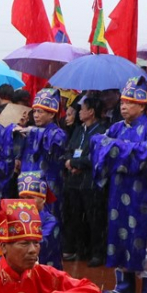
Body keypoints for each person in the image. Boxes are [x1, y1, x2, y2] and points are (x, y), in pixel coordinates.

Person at [92, 77, 147, 293]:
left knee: (146, 236)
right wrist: (117, 148)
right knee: (119, 235)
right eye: (122, 102)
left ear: (142, 105)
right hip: (118, 191)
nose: (123, 106)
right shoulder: (115, 127)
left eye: (129, 102)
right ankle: (123, 286)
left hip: (143, 193)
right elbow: (97, 145)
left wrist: (115, 148)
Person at [62, 96, 108, 267]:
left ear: (91, 112)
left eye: (82, 109)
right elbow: (69, 149)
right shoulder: (79, 130)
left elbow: (96, 157)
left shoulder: (101, 131)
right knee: (75, 216)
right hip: (74, 180)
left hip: (91, 181)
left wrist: (75, 163)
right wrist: (69, 161)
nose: (79, 112)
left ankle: (97, 252)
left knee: (94, 218)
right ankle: (80, 250)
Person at [15, 88, 67, 221]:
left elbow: (54, 144)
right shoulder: (30, 130)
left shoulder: (57, 133)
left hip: (47, 186)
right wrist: (17, 131)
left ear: (51, 114)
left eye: (40, 111)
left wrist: (31, 130)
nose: (36, 115)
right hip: (26, 186)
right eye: (35, 111)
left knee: (47, 220)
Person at [18, 171, 62, 269]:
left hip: (45, 271)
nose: (25, 202)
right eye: (22, 198)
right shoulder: (17, 217)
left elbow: (41, 245)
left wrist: (15, 244)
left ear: (43, 198)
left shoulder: (51, 222)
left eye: (30, 197)